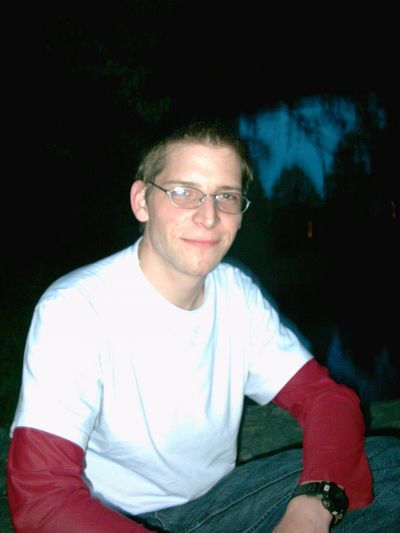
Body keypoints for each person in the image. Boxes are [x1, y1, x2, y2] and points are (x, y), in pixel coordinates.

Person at [6, 121, 399, 533]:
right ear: (141, 201)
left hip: (220, 504)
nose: (208, 216)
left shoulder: (236, 294)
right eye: (183, 192)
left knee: (387, 464)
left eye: (226, 196)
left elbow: (325, 399)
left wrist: (313, 507)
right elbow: (43, 498)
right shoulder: (76, 309)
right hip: (114, 518)